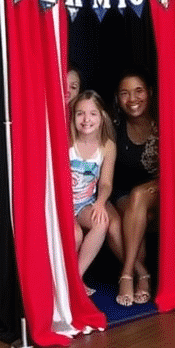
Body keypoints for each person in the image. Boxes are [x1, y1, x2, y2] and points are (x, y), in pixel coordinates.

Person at [108, 71, 159, 306]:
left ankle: (126, 274)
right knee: (136, 213)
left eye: (138, 91)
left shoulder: (163, 122)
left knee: (140, 196)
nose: (132, 99)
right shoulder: (114, 127)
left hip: (158, 189)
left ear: (149, 92)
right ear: (117, 98)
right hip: (123, 193)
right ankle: (143, 275)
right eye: (124, 93)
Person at [69, 90, 116, 285]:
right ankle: (64, 282)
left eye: (93, 113)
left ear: (102, 117)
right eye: (80, 113)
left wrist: (100, 203)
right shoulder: (67, 143)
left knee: (101, 221)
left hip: (85, 203)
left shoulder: (107, 146)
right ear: (73, 117)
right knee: (76, 235)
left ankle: (76, 279)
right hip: (63, 205)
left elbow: (105, 183)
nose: (86, 119)